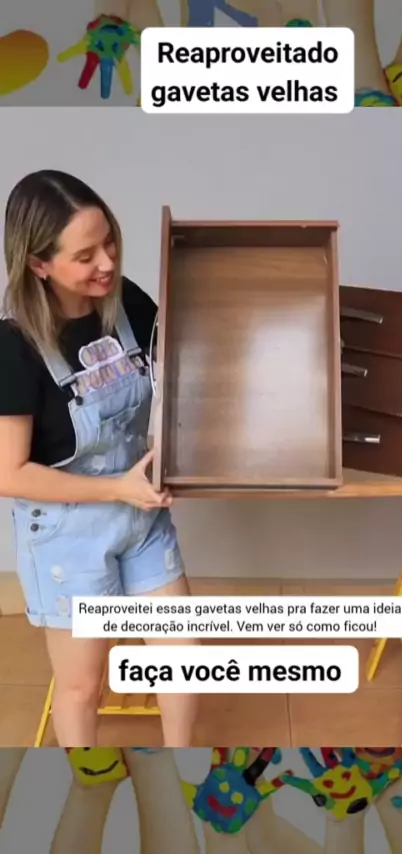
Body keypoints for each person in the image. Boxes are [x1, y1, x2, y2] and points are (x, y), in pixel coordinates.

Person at [0, 170, 198, 748]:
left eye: (109, 241)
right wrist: (117, 489)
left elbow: (181, 373)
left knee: (183, 656)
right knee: (83, 685)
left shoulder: (125, 301)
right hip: (69, 535)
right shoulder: (14, 348)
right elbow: (9, 474)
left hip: (141, 516)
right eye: (85, 256)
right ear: (39, 264)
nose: (107, 263)